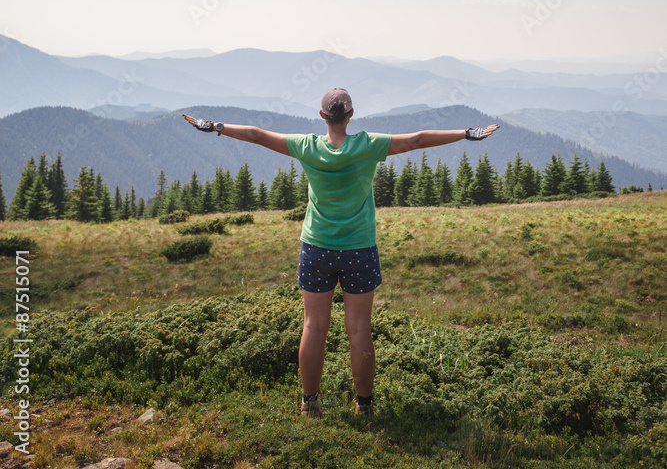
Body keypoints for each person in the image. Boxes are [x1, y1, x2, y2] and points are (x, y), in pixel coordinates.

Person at [183, 88, 499, 419]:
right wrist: (466, 134)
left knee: (314, 326)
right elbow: (418, 139)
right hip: (359, 247)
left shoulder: (307, 147)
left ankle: (309, 402)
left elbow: (259, 135)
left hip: (316, 246)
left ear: (322, 117)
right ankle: (364, 406)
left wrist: (216, 126)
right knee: (360, 328)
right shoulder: (367, 145)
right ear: (350, 115)